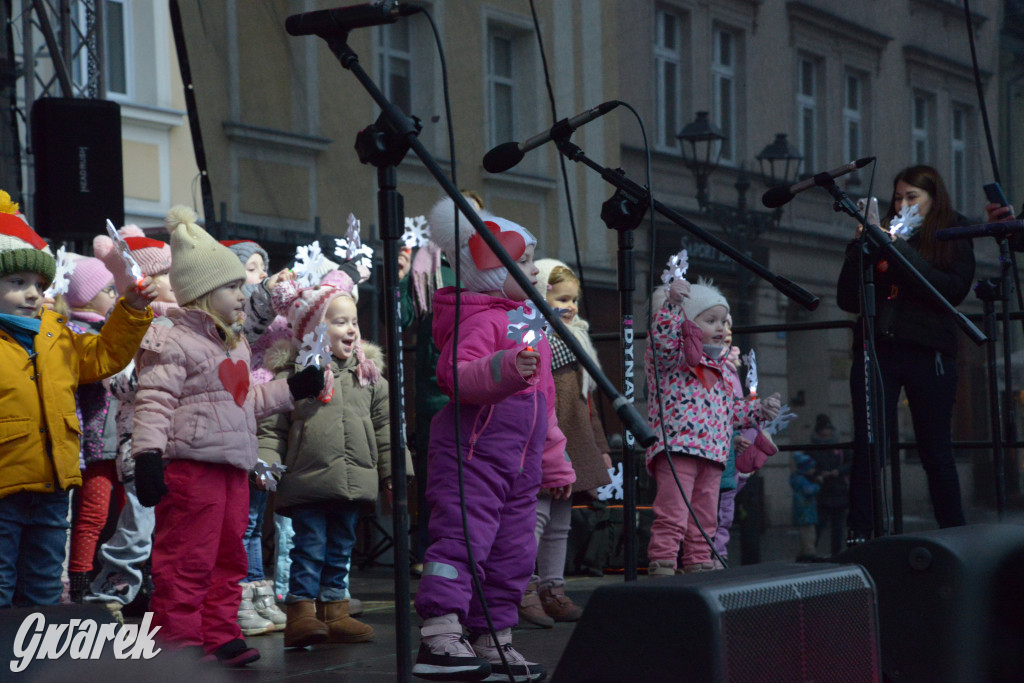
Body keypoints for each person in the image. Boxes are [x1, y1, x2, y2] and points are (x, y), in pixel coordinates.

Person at [131, 206, 325, 666]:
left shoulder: (233, 343)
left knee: (229, 557)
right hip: (192, 469)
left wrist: (293, 388)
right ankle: (178, 643)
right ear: (202, 293)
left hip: (233, 468)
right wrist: (148, 455)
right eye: (233, 287)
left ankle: (220, 633)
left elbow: (245, 401)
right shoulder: (170, 339)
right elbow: (153, 400)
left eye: (242, 285)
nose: (243, 295)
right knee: (186, 557)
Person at [412, 197, 574, 682]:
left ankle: (493, 638)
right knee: (463, 540)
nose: (534, 271)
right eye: (523, 262)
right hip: (474, 454)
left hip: (519, 464)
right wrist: (505, 367)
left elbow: (544, 400)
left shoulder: (526, 323)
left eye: (532, 261)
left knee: (514, 552)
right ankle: (440, 634)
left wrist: (555, 460)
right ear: (488, 270)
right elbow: (455, 374)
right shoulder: (481, 319)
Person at [0, 193, 155, 608]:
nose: (32, 294)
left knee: (43, 586)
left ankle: (37, 648)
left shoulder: (56, 334)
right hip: (4, 487)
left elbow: (103, 356)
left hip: (53, 485)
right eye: (17, 283)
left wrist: (130, 310)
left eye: (39, 285)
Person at [259, 266, 402, 647]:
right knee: (309, 547)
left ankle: (335, 610)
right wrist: (266, 464)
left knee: (341, 547)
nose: (351, 329)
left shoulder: (368, 377)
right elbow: (273, 428)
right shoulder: (293, 378)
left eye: (354, 321)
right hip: (308, 481)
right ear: (313, 329)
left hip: (352, 482)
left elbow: (386, 429)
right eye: (340, 322)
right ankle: (301, 612)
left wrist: (393, 473)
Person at [837, 166, 974, 543]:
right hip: (879, 348)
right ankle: (861, 532)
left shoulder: (952, 232)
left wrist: (896, 248)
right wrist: (859, 248)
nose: (902, 205)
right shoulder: (881, 230)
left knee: (936, 450)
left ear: (934, 198)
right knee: (869, 446)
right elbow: (847, 298)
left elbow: (950, 290)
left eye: (912, 197)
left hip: (928, 350)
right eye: (898, 197)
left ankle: (955, 534)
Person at [645, 277, 780, 576]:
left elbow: (728, 410)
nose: (721, 328)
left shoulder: (719, 368)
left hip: (714, 453)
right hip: (679, 447)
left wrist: (758, 410)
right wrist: (672, 306)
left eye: (723, 321)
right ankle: (664, 561)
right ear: (687, 324)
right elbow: (663, 342)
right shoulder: (672, 360)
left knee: (706, 516)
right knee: (673, 510)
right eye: (711, 320)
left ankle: (699, 560)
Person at [86, 229, 177, 621]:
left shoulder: (183, 320)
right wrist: (160, 371)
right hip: (138, 443)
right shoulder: (125, 321)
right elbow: (117, 381)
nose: (175, 281)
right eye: (166, 274)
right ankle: (108, 591)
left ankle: (160, 596)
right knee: (138, 525)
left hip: (180, 442)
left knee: (172, 526)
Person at [516, 259, 610, 628]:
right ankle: (522, 584)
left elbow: (588, 402)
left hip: (574, 442)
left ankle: (552, 587)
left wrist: (600, 446)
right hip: (542, 440)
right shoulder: (534, 338)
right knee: (534, 519)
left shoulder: (577, 340)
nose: (570, 307)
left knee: (560, 523)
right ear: (541, 296)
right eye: (562, 299)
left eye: (574, 300)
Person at [222, 238, 287, 636]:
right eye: (252, 268)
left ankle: (259, 590)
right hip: (242, 422)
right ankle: (240, 596)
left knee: (256, 518)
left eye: (264, 266)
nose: (262, 274)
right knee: (244, 520)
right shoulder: (238, 318)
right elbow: (254, 311)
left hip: (267, 425)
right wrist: (266, 290)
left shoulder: (273, 320)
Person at [64, 257, 123, 602]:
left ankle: (115, 578)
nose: (115, 295)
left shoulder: (106, 331)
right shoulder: (79, 334)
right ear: (87, 296)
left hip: (118, 440)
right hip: (97, 443)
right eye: (108, 289)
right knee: (92, 514)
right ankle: (80, 579)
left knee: (122, 514)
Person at [808, 414, 849, 557]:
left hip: (838, 491)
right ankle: (811, 551)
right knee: (820, 525)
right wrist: (820, 474)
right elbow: (807, 469)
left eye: (828, 429)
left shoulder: (840, 447)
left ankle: (835, 553)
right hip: (823, 492)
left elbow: (850, 464)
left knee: (837, 527)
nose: (826, 432)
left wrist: (839, 471)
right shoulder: (815, 449)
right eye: (824, 429)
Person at [790, 453, 820, 561]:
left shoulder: (797, 479)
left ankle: (803, 552)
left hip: (805, 512)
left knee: (806, 533)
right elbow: (809, 491)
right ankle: (809, 552)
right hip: (805, 513)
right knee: (808, 534)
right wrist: (817, 485)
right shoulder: (801, 480)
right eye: (811, 468)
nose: (813, 470)